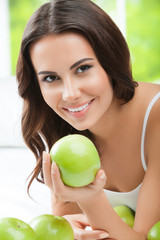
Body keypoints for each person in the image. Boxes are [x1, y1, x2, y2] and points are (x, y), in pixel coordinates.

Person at [16, 0, 160, 239]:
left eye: (82, 69)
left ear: (109, 61)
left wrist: (90, 199)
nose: (69, 94)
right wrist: (70, 230)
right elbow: (67, 218)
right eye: (51, 78)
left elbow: (146, 237)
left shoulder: (156, 117)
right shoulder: (64, 125)